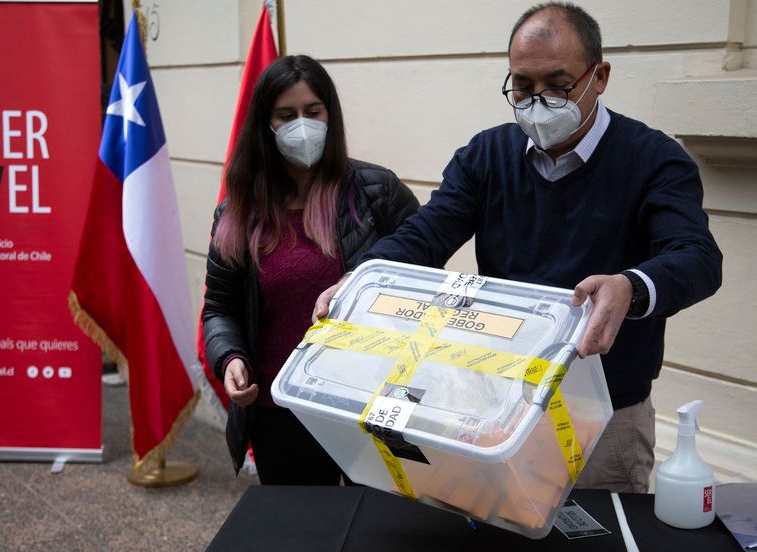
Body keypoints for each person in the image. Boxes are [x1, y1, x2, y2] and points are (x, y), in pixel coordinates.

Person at [314, 2, 722, 494]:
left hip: (602, 411)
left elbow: (697, 256)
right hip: (498, 403)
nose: (539, 101)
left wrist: (630, 286)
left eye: (559, 84)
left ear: (600, 76)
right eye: (523, 87)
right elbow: (425, 235)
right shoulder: (487, 155)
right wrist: (359, 277)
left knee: (600, 533)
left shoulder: (653, 160)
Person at [201, 55, 420, 484]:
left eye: (313, 112)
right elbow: (219, 307)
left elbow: (424, 273)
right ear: (266, 124)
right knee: (303, 527)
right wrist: (229, 358)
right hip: (282, 409)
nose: (302, 125)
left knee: (380, 528)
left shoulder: (378, 191)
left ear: (330, 115)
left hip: (372, 404)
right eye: (286, 115)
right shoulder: (239, 211)